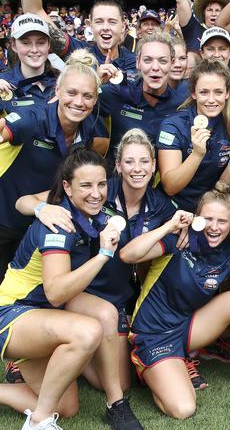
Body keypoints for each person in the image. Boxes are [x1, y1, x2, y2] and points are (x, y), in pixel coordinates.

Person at [0, 148, 143, 430]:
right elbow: (55, 293)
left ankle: (116, 404)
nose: (96, 193)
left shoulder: (94, 214)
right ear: (67, 187)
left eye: (101, 184)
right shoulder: (58, 223)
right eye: (86, 186)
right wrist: (103, 254)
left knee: (66, 406)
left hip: (46, 312)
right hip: (15, 311)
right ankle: (38, 422)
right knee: (87, 330)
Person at [120, 186, 230, 420]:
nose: (214, 227)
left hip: (187, 328)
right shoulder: (179, 239)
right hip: (154, 333)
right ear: (196, 219)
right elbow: (127, 255)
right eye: (208, 219)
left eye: (222, 221)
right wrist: (168, 227)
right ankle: (149, 371)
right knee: (184, 409)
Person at [0, 49, 107, 280]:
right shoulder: (32, 119)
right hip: (4, 221)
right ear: (57, 91)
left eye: (87, 96)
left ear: (96, 99)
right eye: (71, 93)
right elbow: (6, 129)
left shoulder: (87, 129)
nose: (79, 102)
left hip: (40, 224)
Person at [157, 58, 230, 211]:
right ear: (193, 93)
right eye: (204, 92)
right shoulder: (173, 126)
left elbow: (227, 189)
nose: (211, 100)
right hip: (172, 208)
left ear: (228, 93)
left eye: (218, 92)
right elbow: (170, 186)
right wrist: (196, 154)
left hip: (211, 210)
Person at [98, 31, 184, 162]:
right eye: (147, 60)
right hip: (115, 179)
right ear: (138, 62)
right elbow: (71, 103)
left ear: (172, 63)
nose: (155, 67)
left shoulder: (180, 106)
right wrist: (95, 82)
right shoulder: (117, 93)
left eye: (163, 61)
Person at [0, 14, 57, 115]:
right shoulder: (3, 84)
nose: (34, 50)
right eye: (26, 43)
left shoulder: (63, 82)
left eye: (41, 42)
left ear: (49, 45)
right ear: (13, 46)